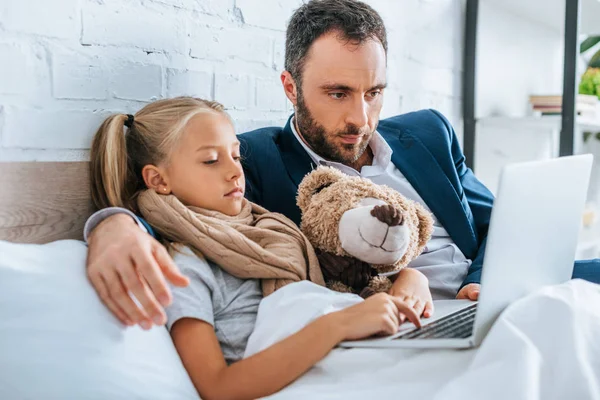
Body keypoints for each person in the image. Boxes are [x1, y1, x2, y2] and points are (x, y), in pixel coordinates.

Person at [84, 0, 600, 330]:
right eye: (337, 93)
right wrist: (113, 225)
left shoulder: (428, 132)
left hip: (488, 298)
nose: (360, 117)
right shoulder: (256, 157)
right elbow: (175, 194)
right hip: (412, 323)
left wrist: (483, 282)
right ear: (291, 87)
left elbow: (498, 222)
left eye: (373, 93)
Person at [89, 96, 424, 399]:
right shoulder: (184, 268)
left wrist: (410, 279)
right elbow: (217, 387)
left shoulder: (269, 231)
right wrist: (339, 325)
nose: (235, 171)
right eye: (210, 160)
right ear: (159, 180)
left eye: (235, 155)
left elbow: (344, 280)